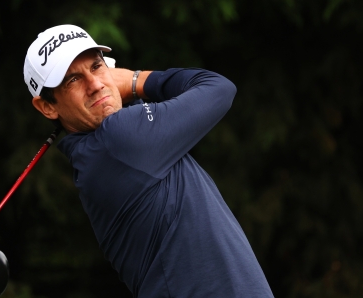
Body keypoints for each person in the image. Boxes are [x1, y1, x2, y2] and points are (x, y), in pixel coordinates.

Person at [23, 24, 273, 297]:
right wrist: (135, 80)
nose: (95, 85)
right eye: (73, 80)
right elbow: (218, 88)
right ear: (47, 106)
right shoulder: (119, 138)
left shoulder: (96, 153)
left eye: (96, 67)